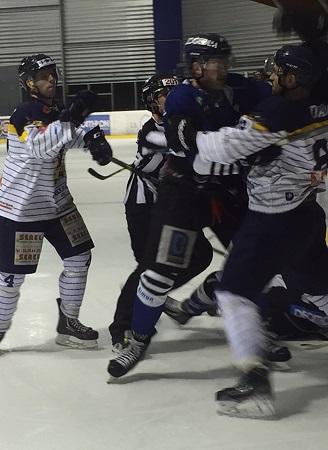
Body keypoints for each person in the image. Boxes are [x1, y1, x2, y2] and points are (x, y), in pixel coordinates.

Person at [166, 43, 328, 418]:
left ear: (293, 79)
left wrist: (187, 135)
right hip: (305, 214)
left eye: (276, 72)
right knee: (323, 290)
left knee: (233, 293)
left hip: (270, 219)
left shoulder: (277, 114)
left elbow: (221, 149)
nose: (270, 77)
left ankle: (255, 384)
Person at [107, 34, 270, 377]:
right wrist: (251, 150)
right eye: (217, 62)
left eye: (226, 60)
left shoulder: (237, 88)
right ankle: (136, 337)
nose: (224, 67)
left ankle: (247, 330)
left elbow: (279, 99)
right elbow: (194, 156)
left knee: (254, 265)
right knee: (156, 274)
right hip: (183, 196)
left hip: (227, 195)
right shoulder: (182, 99)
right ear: (196, 67)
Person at [0, 53, 111, 352]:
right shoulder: (24, 114)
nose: (52, 78)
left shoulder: (56, 110)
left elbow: (67, 135)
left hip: (58, 204)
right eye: (43, 75)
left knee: (79, 258)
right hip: (21, 209)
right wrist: (74, 119)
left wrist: (93, 140)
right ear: (29, 83)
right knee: (12, 275)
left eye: (53, 72)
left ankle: (68, 323)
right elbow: (41, 148)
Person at [108, 74, 178, 352]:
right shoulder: (151, 132)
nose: (172, 100)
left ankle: (155, 294)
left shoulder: (176, 124)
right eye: (165, 95)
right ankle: (122, 326)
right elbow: (189, 146)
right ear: (152, 102)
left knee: (197, 255)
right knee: (148, 266)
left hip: (166, 203)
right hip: (142, 206)